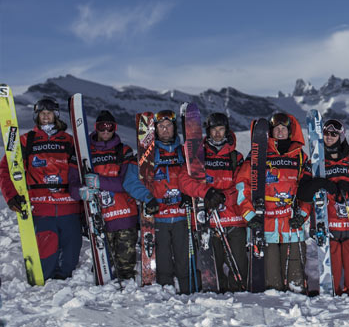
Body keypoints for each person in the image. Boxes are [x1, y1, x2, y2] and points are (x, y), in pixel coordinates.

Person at [0, 97, 84, 280]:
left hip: (68, 207)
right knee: (46, 256)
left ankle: (66, 293)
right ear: (36, 116)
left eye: (49, 113)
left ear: (56, 115)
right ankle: (43, 295)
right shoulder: (26, 140)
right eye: (42, 114)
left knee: (71, 256)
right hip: (41, 207)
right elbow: (6, 169)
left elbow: (81, 170)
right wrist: (11, 196)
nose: (46, 117)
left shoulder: (69, 141)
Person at [74, 110, 159, 281]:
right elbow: (74, 182)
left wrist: (100, 182)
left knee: (126, 269)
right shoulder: (85, 153)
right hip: (99, 218)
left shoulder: (123, 151)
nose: (105, 132)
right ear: (96, 128)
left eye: (109, 128)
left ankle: (125, 304)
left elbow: (125, 183)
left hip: (124, 216)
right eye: (101, 128)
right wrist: (80, 191)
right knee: (102, 268)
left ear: (115, 129)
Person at [145, 108, 222, 294]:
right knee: (162, 260)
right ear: (155, 130)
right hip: (160, 217)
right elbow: (133, 179)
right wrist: (147, 197)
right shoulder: (147, 155)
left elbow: (187, 180)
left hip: (181, 216)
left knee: (185, 259)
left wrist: (202, 192)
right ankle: (164, 296)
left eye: (168, 126)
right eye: (161, 126)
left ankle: (190, 294)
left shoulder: (183, 154)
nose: (165, 130)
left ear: (174, 128)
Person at [296, 118, 349, 297]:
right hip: (327, 230)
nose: (329, 137)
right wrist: (320, 183)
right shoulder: (315, 164)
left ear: (341, 136)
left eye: (334, 134)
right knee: (331, 280)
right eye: (326, 134)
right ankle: (331, 311)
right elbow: (303, 194)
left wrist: (348, 187)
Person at [245, 112, 312, 292]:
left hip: (292, 223)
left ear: (290, 132)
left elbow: (308, 189)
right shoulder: (258, 154)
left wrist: (303, 214)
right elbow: (241, 187)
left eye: (284, 128)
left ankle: (300, 314)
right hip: (266, 225)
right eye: (277, 129)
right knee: (271, 280)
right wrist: (250, 215)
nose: (280, 132)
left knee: (295, 279)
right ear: (270, 132)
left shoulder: (300, 157)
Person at [201, 111, 251, 292]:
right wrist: (207, 194)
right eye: (214, 129)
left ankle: (238, 297)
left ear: (226, 131)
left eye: (221, 129)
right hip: (211, 222)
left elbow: (241, 185)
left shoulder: (235, 157)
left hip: (234, 220)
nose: (217, 134)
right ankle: (217, 299)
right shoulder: (199, 157)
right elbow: (189, 181)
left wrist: (223, 197)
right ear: (208, 131)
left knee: (239, 266)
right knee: (212, 268)